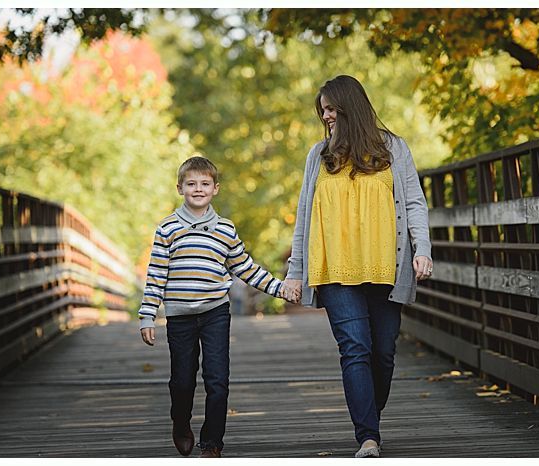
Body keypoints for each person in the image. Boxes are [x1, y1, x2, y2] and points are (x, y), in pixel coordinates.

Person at [281, 75, 432, 458]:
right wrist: (294, 271)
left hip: (386, 267)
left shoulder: (393, 149)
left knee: (383, 352)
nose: (326, 116)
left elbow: (414, 202)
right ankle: (368, 436)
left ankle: (370, 415)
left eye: (330, 108)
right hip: (334, 270)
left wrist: (422, 249)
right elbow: (304, 216)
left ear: (350, 106)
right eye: (323, 111)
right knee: (355, 348)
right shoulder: (318, 156)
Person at [138, 156, 297, 458]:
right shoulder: (168, 229)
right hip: (180, 316)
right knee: (182, 382)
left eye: (205, 184)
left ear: (215, 189)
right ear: (180, 188)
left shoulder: (225, 229)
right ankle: (181, 422)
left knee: (218, 381)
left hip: (215, 312)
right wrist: (147, 315)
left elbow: (246, 268)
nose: (198, 189)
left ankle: (212, 443)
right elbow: (156, 273)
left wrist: (281, 289)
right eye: (191, 184)